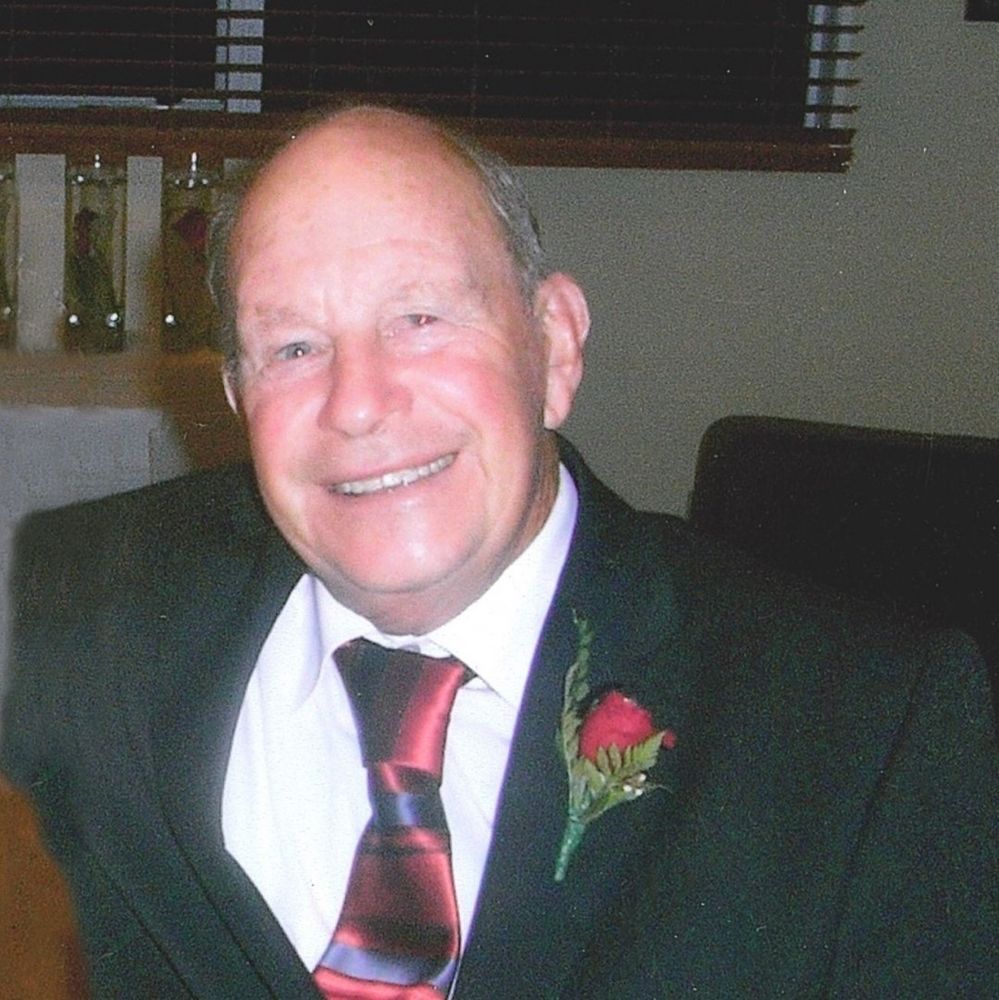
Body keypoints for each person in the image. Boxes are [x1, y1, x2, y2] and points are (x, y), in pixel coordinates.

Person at [2, 105, 996, 999]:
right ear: (236, 398)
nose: (357, 404)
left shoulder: (865, 731)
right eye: (294, 347)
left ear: (555, 345)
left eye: (419, 319)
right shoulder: (88, 616)